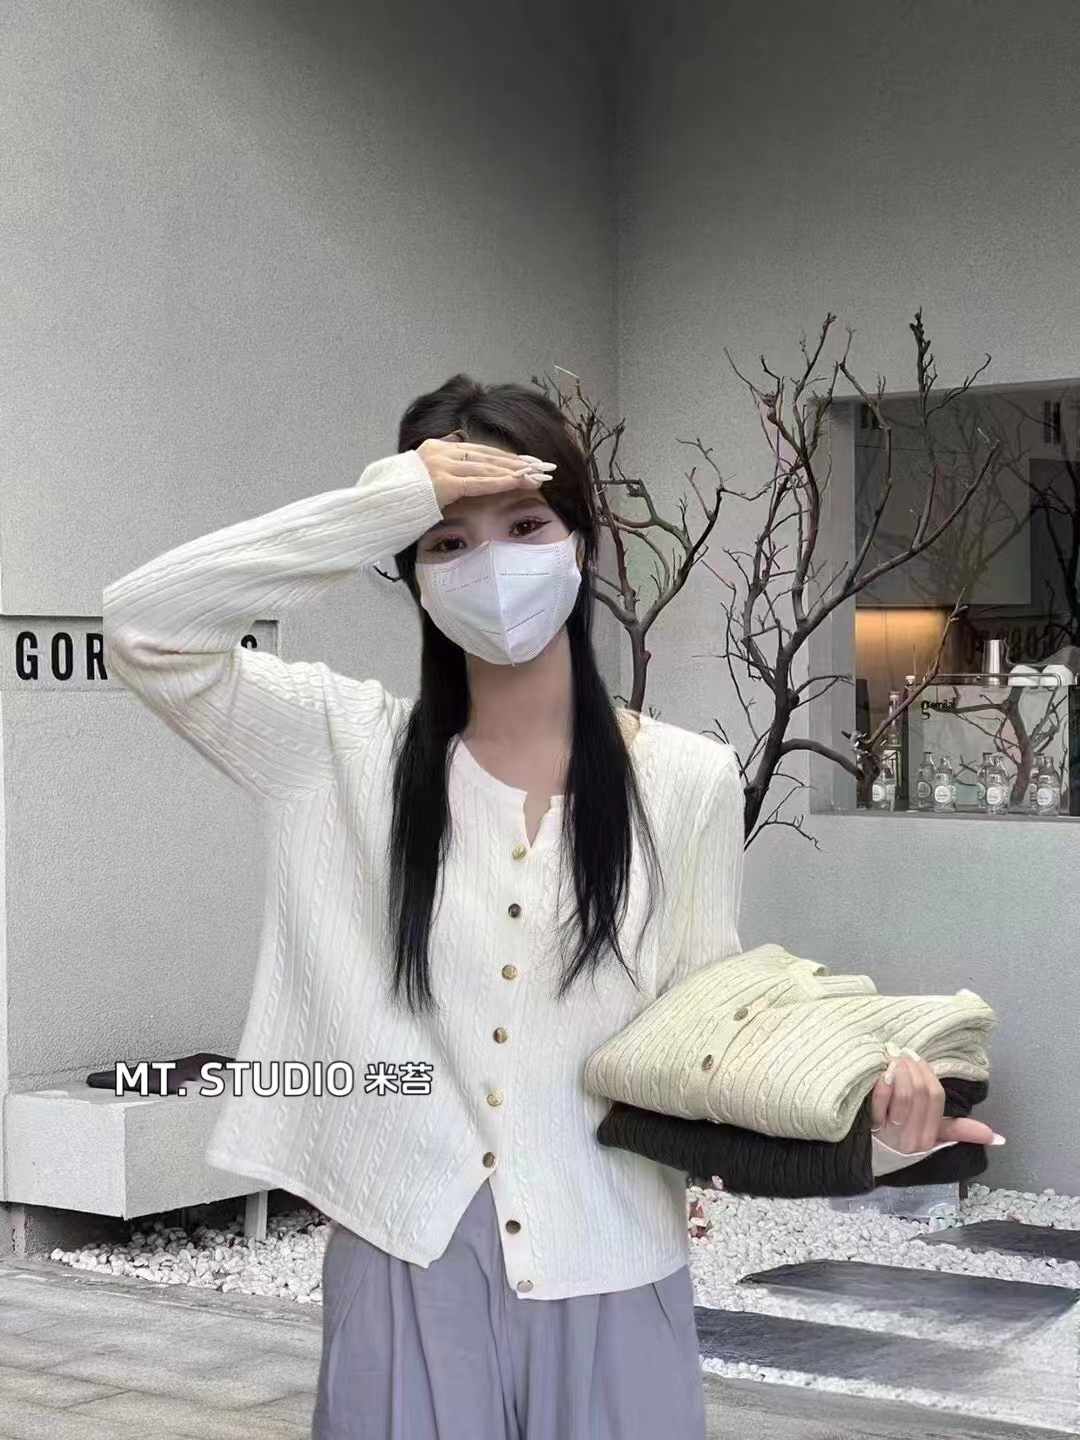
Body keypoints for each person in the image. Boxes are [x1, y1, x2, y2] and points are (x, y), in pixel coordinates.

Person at [101, 373, 981, 1440]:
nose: (493, 564)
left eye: (525, 525)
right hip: (404, 1260)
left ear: (581, 543)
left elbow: (701, 1046)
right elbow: (146, 625)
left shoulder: (687, 782)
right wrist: (389, 501)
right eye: (448, 541)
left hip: (614, 1263)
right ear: (413, 573)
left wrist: (870, 1131)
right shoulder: (339, 750)